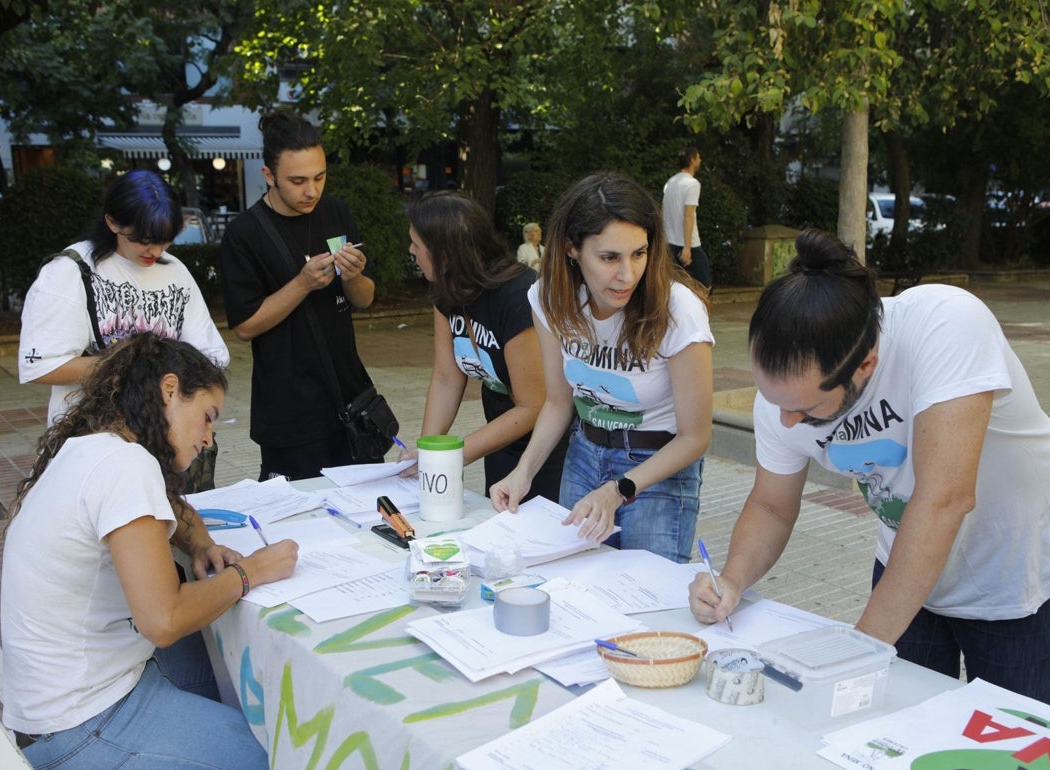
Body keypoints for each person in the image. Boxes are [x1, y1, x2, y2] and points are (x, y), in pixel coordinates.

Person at [688, 228, 1050, 704]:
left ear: (866, 364)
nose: (786, 420)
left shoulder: (944, 324)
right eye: (773, 399)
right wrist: (732, 578)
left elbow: (944, 499)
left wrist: (854, 652)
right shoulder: (784, 398)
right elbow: (771, 507)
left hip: (1013, 570)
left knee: (1001, 747)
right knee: (898, 727)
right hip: (907, 562)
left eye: (805, 408)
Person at [1, 333, 299, 770]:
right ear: (168, 390)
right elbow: (163, 620)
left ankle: (217, 754)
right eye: (207, 415)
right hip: (83, 724)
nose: (209, 437)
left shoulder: (97, 447)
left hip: (54, 705)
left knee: (205, 662)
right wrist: (250, 573)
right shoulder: (126, 466)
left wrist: (200, 543)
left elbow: (171, 509)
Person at [490, 172, 715, 564]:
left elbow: (695, 437)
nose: (627, 274)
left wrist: (619, 489)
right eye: (609, 257)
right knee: (576, 588)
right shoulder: (550, 298)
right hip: (584, 454)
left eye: (639, 254)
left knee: (646, 605)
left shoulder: (679, 309)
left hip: (656, 470)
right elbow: (559, 402)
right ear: (572, 249)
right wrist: (523, 473)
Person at [219, 109, 377, 481]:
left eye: (320, 177)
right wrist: (302, 284)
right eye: (297, 180)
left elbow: (365, 299)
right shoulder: (245, 234)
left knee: (366, 514)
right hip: (289, 413)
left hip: (350, 400)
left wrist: (353, 277)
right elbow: (244, 326)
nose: (312, 191)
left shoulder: (335, 212)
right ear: (269, 176)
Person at [18, 170, 229, 427]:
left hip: (162, 437)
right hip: (91, 436)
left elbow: (209, 354)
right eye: (144, 240)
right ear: (112, 222)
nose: (156, 251)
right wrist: (136, 367)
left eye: (165, 241)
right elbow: (41, 366)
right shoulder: (70, 271)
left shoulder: (174, 270)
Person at [404, 193, 567, 499]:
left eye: (417, 243)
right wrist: (428, 451)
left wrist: (457, 454)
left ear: (444, 253)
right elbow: (446, 377)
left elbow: (534, 404)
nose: (411, 251)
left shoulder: (517, 297)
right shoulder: (446, 289)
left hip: (548, 447)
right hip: (500, 437)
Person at [661, 146, 711, 290]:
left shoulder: (670, 182)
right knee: (704, 286)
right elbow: (688, 215)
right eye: (698, 157)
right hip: (688, 245)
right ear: (692, 160)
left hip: (669, 243)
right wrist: (687, 248)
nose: (700, 160)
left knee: (675, 286)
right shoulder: (692, 184)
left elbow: (663, 212)